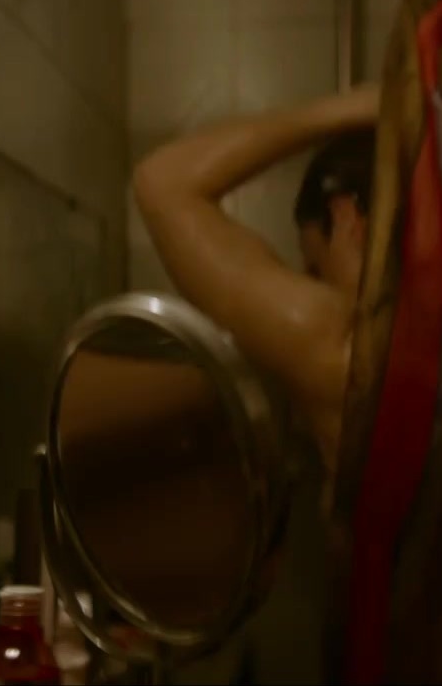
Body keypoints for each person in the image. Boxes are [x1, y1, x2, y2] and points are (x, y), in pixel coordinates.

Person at [131, 87, 380, 476]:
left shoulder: (346, 352)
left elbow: (162, 183)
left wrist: (350, 108)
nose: (310, 282)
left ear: (348, 219)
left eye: (315, 267)